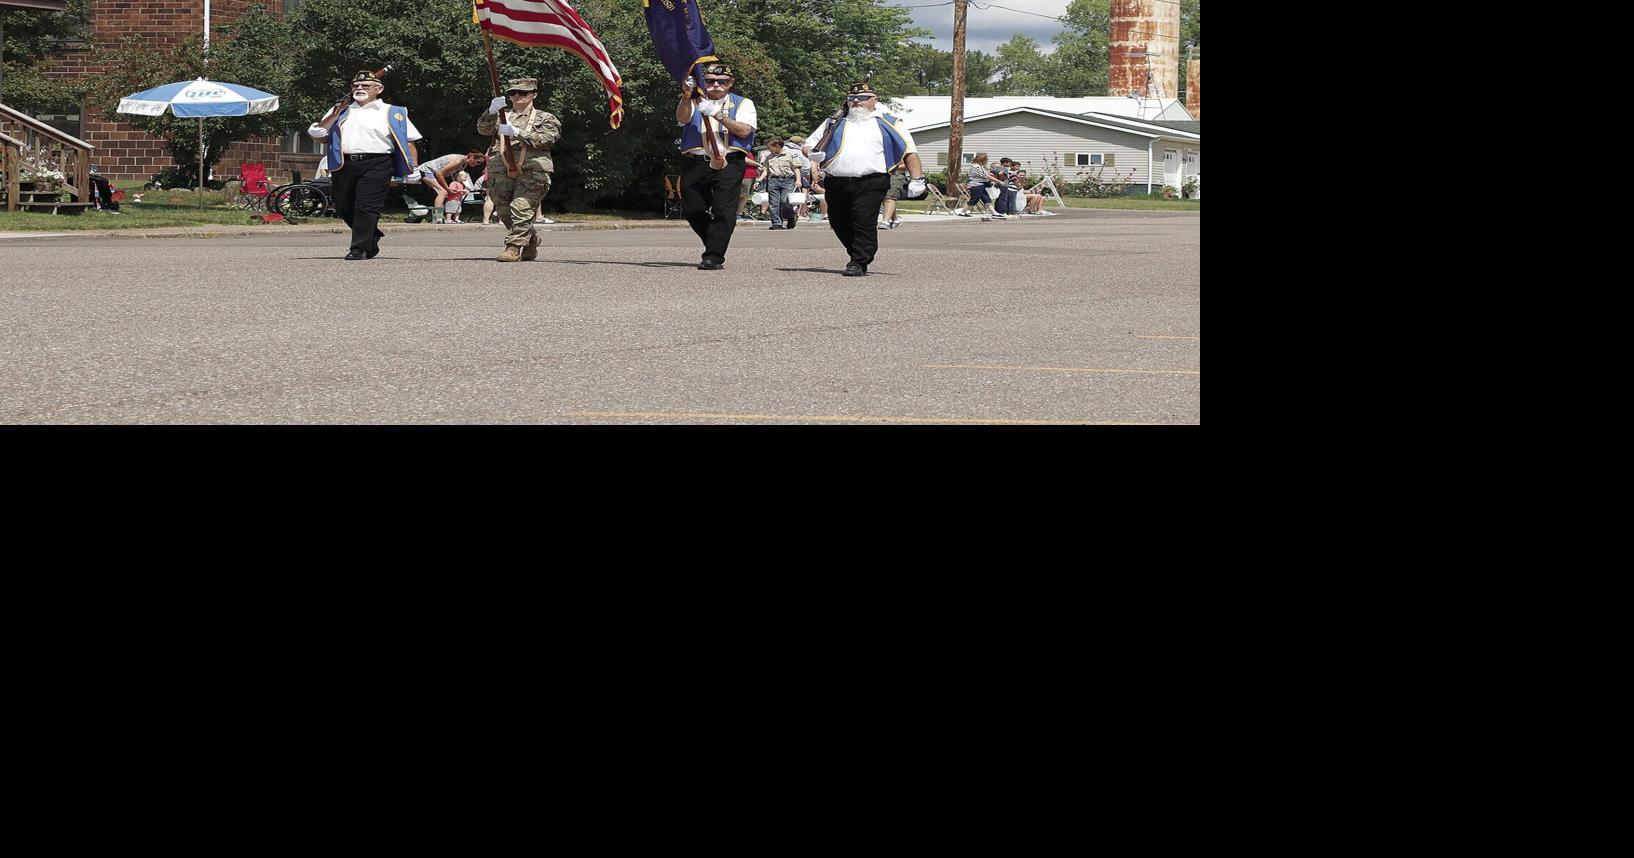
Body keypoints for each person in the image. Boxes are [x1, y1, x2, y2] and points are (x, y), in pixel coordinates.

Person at [806, 81, 926, 276]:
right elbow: (810, 144)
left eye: (862, 98)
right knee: (838, 221)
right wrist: (812, 153)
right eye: (852, 98)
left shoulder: (890, 122)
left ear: (874, 100)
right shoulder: (833, 122)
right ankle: (856, 253)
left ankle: (859, 261)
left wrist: (917, 179)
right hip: (836, 180)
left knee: (863, 220)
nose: (856, 102)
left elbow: (910, 152)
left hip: (872, 180)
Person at [308, 69, 422, 260]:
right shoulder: (341, 110)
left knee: (366, 206)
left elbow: (408, 141)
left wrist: (414, 167)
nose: (359, 88)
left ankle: (358, 248)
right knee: (343, 205)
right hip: (344, 163)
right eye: (356, 85)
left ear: (379, 89)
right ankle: (371, 234)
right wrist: (333, 115)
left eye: (365, 86)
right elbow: (321, 136)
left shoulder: (393, 112)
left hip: (378, 163)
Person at [674, 63, 757, 270]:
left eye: (722, 81)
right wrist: (687, 95)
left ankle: (713, 255)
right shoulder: (693, 100)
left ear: (731, 83)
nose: (716, 85)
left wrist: (718, 114)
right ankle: (714, 238)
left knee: (723, 209)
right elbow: (682, 118)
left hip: (729, 161)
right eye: (710, 81)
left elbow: (744, 131)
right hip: (696, 161)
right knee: (692, 208)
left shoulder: (743, 103)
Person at [477, 77, 562, 262]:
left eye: (522, 93)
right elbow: (483, 130)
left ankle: (513, 248)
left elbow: (548, 138)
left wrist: (518, 133)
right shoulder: (502, 115)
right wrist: (491, 111)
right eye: (513, 93)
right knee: (504, 212)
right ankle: (530, 239)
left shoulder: (545, 117)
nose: (517, 96)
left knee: (521, 208)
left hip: (533, 170)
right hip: (501, 170)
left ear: (533, 95)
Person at [416, 150, 487, 224]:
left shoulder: (464, 164)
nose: (478, 165)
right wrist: (447, 189)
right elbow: (439, 174)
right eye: (478, 162)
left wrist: (460, 188)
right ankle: (437, 217)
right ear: (472, 158)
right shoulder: (457, 161)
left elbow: (456, 177)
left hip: (434, 173)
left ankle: (442, 217)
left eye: (480, 164)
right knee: (442, 191)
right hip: (426, 171)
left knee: (445, 194)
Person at [759, 137, 802, 230]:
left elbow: (796, 168)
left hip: (788, 180)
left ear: (777, 146)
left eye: (770, 147)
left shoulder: (790, 154)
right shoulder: (769, 156)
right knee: (774, 203)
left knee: (785, 201)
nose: (769, 149)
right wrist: (759, 180)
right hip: (773, 180)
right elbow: (766, 170)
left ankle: (790, 217)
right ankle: (777, 223)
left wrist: (798, 180)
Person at [958, 152, 996, 218]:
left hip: (980, 185)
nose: (986, 161)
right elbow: (985, 176)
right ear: (981, 160)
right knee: (974, 200)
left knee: (986, 199)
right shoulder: (976, 167)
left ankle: (994, 213)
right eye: (986, 160)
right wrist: (998, 181)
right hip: (976, 185)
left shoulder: (979, 167)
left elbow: (983, 175)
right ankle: (962, 212)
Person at [880, 165, 907, 230]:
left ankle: (885, 222)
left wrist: (888, 166)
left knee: (889, 197)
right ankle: (895, 220)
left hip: (896, 175)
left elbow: (905, 165)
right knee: (885, 198)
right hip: (882, 175)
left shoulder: (897, 154)